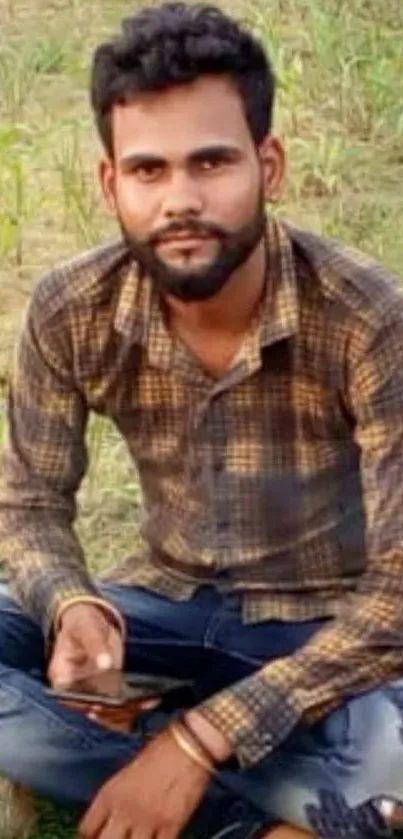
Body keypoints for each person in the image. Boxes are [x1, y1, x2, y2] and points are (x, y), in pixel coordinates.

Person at [1, 2, 403, 838]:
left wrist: (197, 736)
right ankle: (280, 813)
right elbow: (30, 502)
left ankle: (133, 767)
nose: (180, 199)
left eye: (211, 162)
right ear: (111, 183)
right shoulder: (71, 306)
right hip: (165, 605)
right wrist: (74, 606)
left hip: (329, 632)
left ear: (270, 165)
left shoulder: (365, 315)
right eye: (148, 171)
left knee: (394, 744)